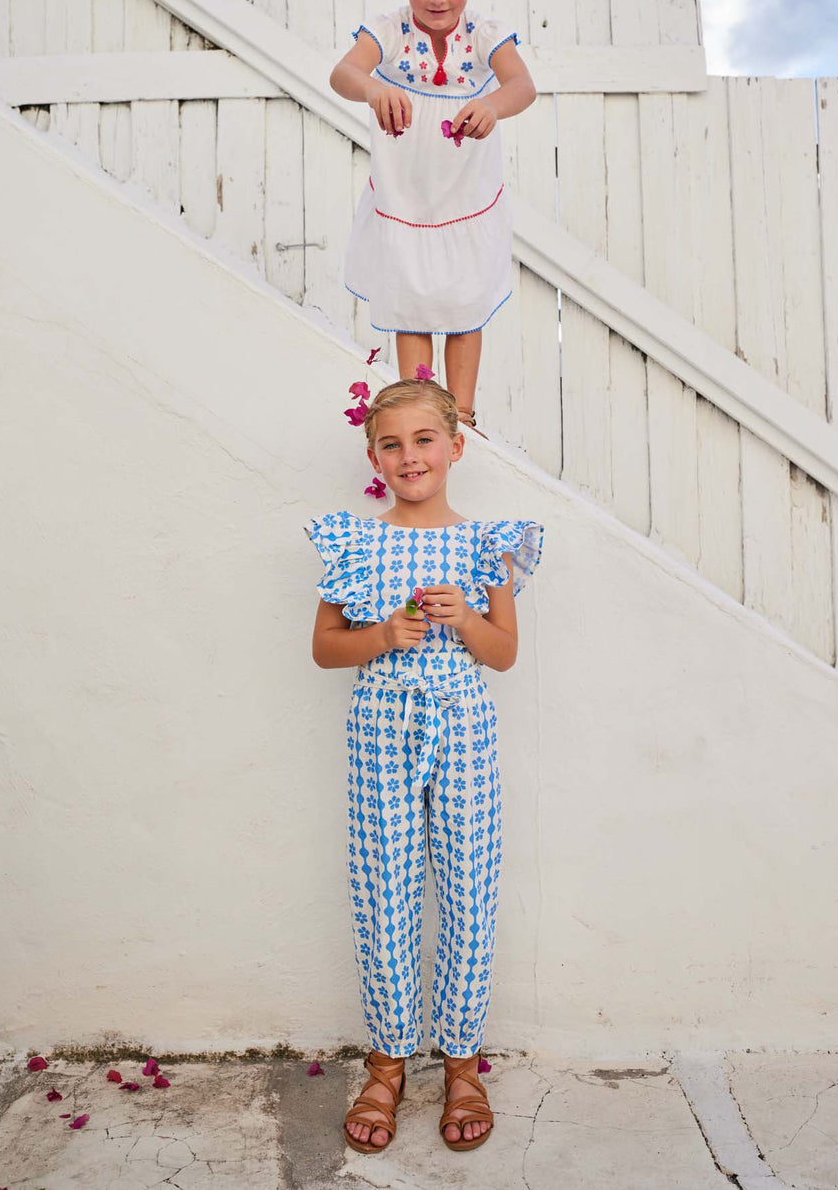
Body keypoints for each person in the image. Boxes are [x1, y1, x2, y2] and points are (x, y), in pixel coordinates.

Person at [305, 378, 543, 1152]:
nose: (410, 456)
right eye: (392, 443)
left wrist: (466, 617)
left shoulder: (487, 543)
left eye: (424, 439)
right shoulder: (357, 541)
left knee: (470, 880)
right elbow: (324, 647)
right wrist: (383, 637)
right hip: (381, 722)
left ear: (455, 446)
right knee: (385, 884)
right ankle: (387, 1060)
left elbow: (503, 655)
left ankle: (463, 1060)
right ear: (373, 455)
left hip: (463, 725)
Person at [329, 0, 536, 433]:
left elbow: (522, 87)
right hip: (407, 197)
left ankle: (461, 419)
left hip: (467, 195)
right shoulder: (390, 32)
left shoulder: (487, 35)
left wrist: (491, 106)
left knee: (464, 303)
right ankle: (423, 414)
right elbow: (343, 74)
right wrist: (374, 87)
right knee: (412, 304)